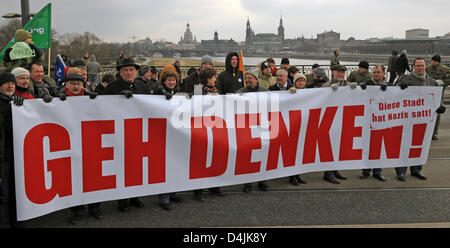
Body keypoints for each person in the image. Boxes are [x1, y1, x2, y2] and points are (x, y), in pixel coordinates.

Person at [53, 68, 101, 224]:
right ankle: (77, 210)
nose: (75, 87)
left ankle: (95, 207)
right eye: (72, 84)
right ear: (66, 85)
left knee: (92, 177)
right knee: (74, 179)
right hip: (69, 146)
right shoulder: (59, 98)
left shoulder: (90, 97)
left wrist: (98, 100)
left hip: (89, 144)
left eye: (78, 84)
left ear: (83, 84)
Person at [102, 58, 148, 211]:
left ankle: (135, 196)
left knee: (136, 167)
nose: (129, 73)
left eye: (131, 70)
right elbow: (101, 107)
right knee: (122, 167)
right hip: (119, 134)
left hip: (137, 133)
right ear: (119, 72)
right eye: (125, 70)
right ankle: (122, 199)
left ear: (136, 72)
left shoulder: (141, 85)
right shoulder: (112, 87)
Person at [394, 57, 445, 181]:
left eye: (422, 65)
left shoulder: (432, 82)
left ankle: (416, 169)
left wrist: (441, 106)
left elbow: (437, 99)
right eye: (418, 65)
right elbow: (392, 96)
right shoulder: (404, 80)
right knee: (404, 145)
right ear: (413, 67)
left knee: (420, 145)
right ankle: (401, 171)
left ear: (425, 66)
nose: (420, 68)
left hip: (423, 120)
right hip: (406, 119)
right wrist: (399, 89)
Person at [152, 67, 184, 209]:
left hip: (176, 134)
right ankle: (163, 196)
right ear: (163, 81)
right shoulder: (157, 93)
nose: (171, 82)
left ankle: (172, 192)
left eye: (173, 80)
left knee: (175, 164)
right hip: (162, 134)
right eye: (169, 80)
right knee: (163, 166)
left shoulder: (180, 93)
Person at [235, 68, 269, 193]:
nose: (248, 80)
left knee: (262, 155)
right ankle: (247, 183)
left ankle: (262, 181)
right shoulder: (239, 92)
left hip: (262, 128)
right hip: (247, 129)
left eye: (250, 78)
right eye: (246, 78)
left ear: (256, 79)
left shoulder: (265, 92)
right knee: (247, 157)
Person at [321, 65, 353, 184]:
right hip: (331, 120)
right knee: (330, 147)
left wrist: (358, 88)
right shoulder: (327, 85)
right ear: (333, 72)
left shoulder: (349, 85)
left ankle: (335, 170)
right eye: (338, 72)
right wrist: (328, 90)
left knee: (339, 147)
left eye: (342, 72)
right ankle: (328, 173)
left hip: (344, 119)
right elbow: (320, 97)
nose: (340, 74)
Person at [0, 72, 23, 228]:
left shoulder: (18, 103)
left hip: (18, 155)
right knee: (4, 194)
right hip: (3, 157)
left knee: (17, 192)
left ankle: (17, 221)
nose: (10, 86)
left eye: (13, 84)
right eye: (7, 83)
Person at [358, 65, 388, 182]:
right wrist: (361, 88)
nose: (376, 74)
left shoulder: (389, 86)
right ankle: (365, 170)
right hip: (367, 119)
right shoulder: (367, 84)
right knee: (366, 147)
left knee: (378, 148)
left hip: (381, 121)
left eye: (378, 72)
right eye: (374, 72)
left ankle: (377, 171)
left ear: (384, 74)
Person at [286, 73, 309, 186]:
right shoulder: (290, 92)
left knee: (300, 152)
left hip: (303, 126)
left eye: (303, 80)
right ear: (295, 82)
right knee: (292, 152)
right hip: (293, 126)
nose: (301, 83)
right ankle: (292, 176)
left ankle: (298, 174)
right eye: (298, 81)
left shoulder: (310, 93)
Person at [426, 55, 450, 140]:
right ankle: (426, 131)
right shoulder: (427, 68)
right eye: (432, 60)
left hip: (438, 94)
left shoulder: (445, 69)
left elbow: (449, 79)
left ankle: (434, 133)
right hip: (427, 93)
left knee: (437, 113)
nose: (432, 62)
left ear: (438, 62)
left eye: (434, 61)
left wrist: (442, 82)